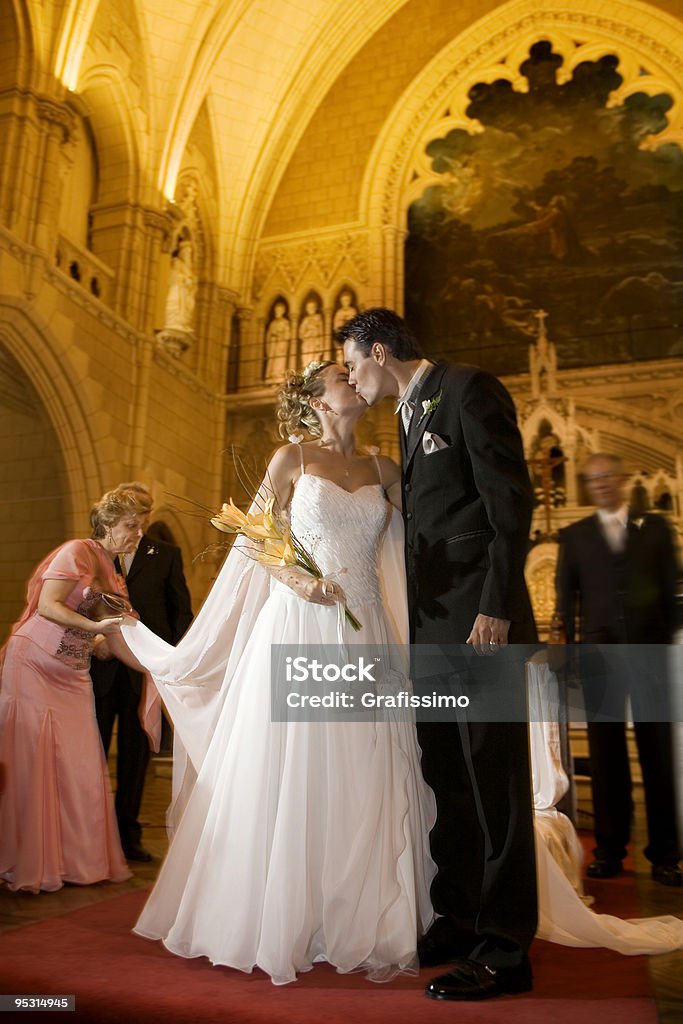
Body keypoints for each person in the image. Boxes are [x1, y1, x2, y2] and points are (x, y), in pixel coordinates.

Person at [120, 361, 436, 984]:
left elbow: (424, 538)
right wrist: (298, 578)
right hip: (300, 623)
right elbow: (260, 544)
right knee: (297, 763)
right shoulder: (290, 459)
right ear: (316, 401)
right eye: (336, 376)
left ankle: (360, 907)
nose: (350, 378)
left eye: (350, 371)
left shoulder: (384, 470)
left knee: (365, 761)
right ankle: (284, 910)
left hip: (364, 628)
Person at [339, 307, 538, 1001]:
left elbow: (508, 503)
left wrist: (496, 604)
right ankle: (457, 917)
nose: (351, 377)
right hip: (430, 630)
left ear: (380, 349)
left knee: (493, 784)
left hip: (481, 623)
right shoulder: (405, 415)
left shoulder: (467, 389)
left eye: (353, 362)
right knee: (446, 774)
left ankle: (505, 948)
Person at [0, 489, 149, 893]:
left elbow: (116, 642)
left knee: (80, 765)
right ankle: (27, 859)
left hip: (73, 673)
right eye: (131, 526)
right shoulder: (77, 552)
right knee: (34, 761)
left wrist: (162, 668)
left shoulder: (115, 576)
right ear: (107, 524)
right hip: (33, 664)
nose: (138, 534)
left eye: (141, 526)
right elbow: (48, 605)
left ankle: (77, 863)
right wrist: (93, 630)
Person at [555, 453, 681, 887]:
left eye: (608, 476)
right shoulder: (574, 535)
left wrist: (666, 643)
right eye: (593, 479)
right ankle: (609, 850)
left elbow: (671, 588)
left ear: (622, 480)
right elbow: (565, 602)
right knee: (607, 757)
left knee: (657, 754)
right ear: (588, 486)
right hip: (599, 659)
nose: (602, 484)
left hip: (650, 656)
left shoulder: (657, 528)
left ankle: (666, 854)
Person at [91, 483, 193, 862]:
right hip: (99, 668)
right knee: (92, 751)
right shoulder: (96, 552)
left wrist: (175, 658)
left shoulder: (166, 554)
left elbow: (180, 611)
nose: (142, 520)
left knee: (135, 757)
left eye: (147, 513)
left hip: (143, 671)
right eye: (136, 513)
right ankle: (91, 834)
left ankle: (126, 836)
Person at [264, 300, 291, 381]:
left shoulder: (285, 322)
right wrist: (272, 336)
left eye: (279, 310)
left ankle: (279, 375)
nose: (277, 312)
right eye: (276, 310)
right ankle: (271, 375)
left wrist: (280, 335)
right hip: (273, 345)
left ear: (283, 311)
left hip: (280, 345)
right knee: (272, 360)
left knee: (280, 360)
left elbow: (288, 335)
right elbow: (268, 335)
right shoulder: (273, 323)